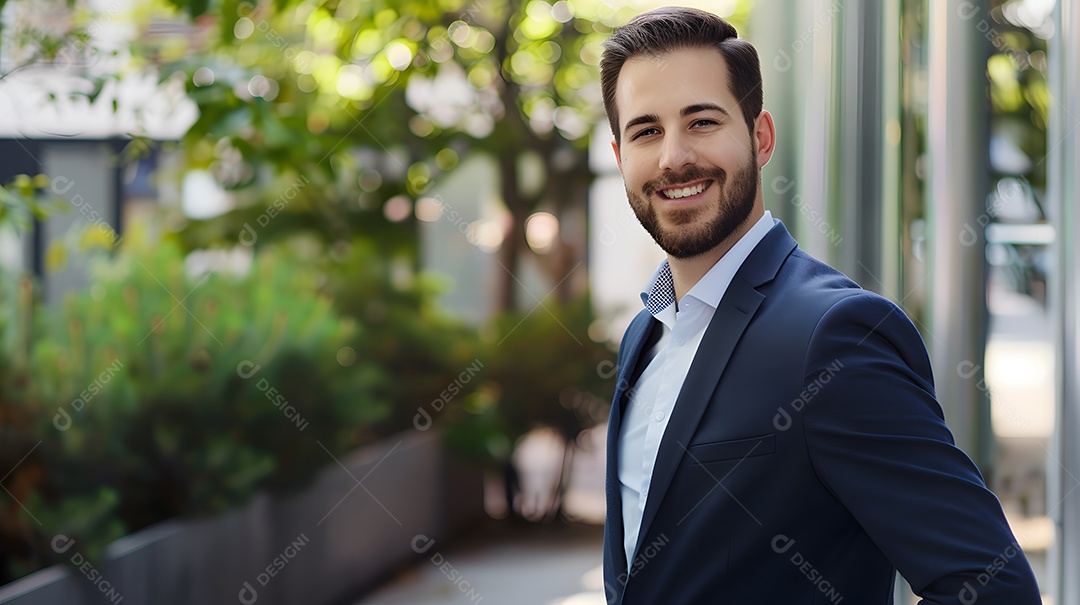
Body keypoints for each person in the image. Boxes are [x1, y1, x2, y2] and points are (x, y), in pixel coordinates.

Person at [598, 7, 1041, 604]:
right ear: (621, 156)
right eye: (646, 131)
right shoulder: (642, 337)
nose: (674, 156)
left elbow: (991, 588)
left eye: (701, 121)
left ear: (760, 138)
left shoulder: (835, 335)